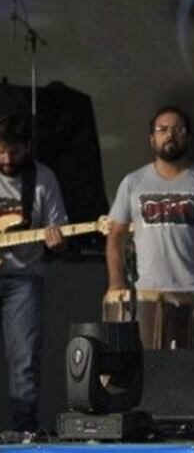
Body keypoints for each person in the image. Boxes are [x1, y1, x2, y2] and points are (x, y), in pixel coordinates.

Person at [104, 106, 194, 349]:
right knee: (145, 371)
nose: (170, 135)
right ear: (152, 138)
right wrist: (116, 282)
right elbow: (116, 235)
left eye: (177, 129)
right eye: (162, 129)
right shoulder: (133, 182)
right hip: (146, 296)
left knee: (189, 372)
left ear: (188, 137)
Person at [0, 114, 66, 432]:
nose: (6, 159)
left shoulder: (42, 178)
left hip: (24, 278)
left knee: (24, 360)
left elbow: (59, 233)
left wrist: (56, 242)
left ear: (26, 147)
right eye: (0, 151)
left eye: (13, 151)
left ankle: (24, 431)